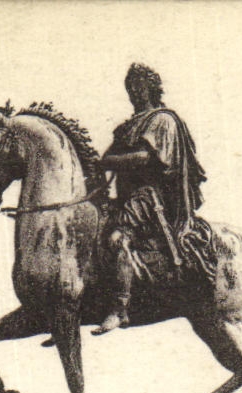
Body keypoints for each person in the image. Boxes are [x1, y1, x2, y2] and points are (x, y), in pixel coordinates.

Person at [93, 64, 210, 335]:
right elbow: (107, 157)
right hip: (125, 197)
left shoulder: (163, 120)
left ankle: (120, 309)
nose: (133, 92)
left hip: (149, 197)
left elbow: (147, 158)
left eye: (138, 86)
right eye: (129, 88)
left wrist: (110, 162)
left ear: (151, 88)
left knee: (116, 240)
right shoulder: (128, 126)